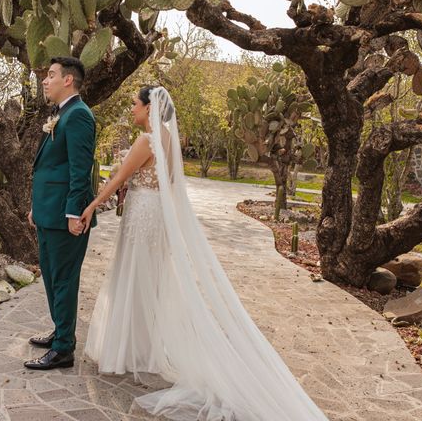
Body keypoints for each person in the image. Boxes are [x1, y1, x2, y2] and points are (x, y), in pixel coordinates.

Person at [78, 86, 328, 420]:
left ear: (149, 107)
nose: (132, 111)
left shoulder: (146, 141)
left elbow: (119, 178)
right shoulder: (169, 140)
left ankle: (127, 351)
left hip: (142, 217)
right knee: (148, 282)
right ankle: (141, 350)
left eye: (135, 105)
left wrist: (93, 205)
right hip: (157, 219)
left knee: (133, 278)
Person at [24, 57, 97, 370]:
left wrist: (73, 213)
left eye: (50, 75)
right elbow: (50, 167)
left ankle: (64, 349)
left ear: (68, 80)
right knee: (52, 277)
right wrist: (36, 208)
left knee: (64, 279)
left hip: (66, 215)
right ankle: (60, 331)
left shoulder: (79, 115)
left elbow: (81, 171)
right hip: (47, 211)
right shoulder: (60, 113)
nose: (45, 80)